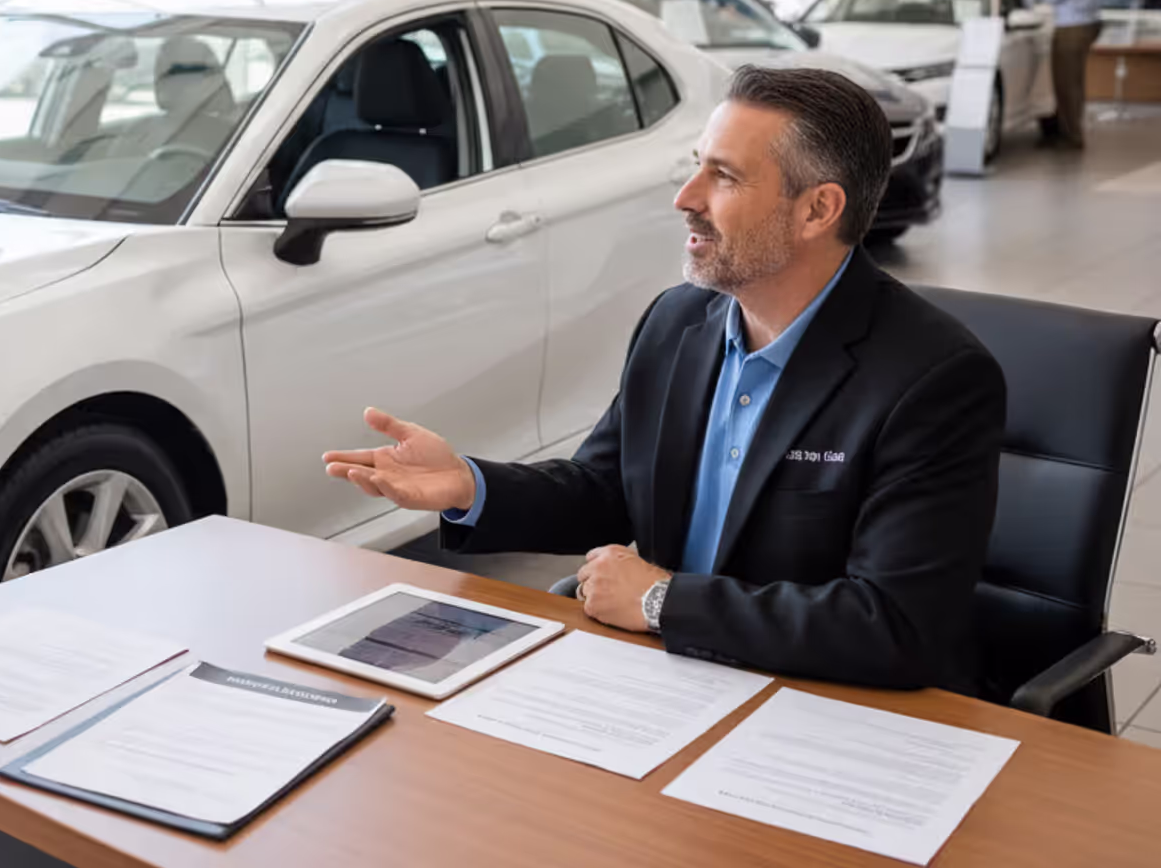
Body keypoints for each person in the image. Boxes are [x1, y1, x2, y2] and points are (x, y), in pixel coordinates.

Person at [323, 65, 1005, 691]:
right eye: (694, 168)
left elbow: (892, 626)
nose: (686, 198)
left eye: (725, 177)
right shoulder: (680, 321)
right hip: (671, 675)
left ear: (817, 211)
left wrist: (660, 600)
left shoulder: (934, 379)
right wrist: (470, 485)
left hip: (822, 700)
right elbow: (608, 489)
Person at [1031, 0, 1102, 148]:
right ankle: (1067, 129)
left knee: (1067, 83)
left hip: (1074, 27)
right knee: (1071, 82)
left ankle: (1071, 136)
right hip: (1077, 24)